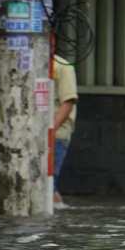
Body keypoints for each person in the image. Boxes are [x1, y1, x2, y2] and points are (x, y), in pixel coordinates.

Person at [52, 54, 79, 205]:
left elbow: (68, 102)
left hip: (56, 134)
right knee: (47, 185)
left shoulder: (62, 67)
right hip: (33, 134)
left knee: (48, 184)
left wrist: (51, 130)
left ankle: (57, 213)